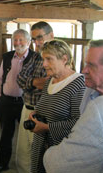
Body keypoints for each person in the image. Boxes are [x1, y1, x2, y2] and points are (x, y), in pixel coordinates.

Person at [43, 39, 103, 173]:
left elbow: (59, 164)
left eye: (91, 65)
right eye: (85, 63)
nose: (84, 70)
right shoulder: (89, 91)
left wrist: (51, 152)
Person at [29, 39, 85, 173]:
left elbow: (80, 123)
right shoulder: (50, 81)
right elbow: (49, 104)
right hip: (41, 148)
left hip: (61, 151)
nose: (44, 64)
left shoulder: (78, 84)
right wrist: (36, 111)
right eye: (43, 59)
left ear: (64, 59)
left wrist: (47, 127)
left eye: (49, 59)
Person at [0, 29, 32, 173]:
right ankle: (3, 163)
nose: (18, 43)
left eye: (21, 40)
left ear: (28, 42)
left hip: (25, 104)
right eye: (15, 39)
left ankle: (27, 165)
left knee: (28, 135)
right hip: (6, 102)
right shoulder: (7, 56)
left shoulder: (35, 58)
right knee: (5, 135)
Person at [16, 21, 53, 173]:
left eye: (40, 38)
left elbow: (51, 85)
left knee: (37, 153)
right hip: (27, 108)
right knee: (22, 152)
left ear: (51, 35)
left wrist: (30, 83)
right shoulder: (35, 57)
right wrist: (36, 83)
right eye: (34, 39)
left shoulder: (59, 58)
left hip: (42, 112)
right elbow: (19, 79)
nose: (37, 43)